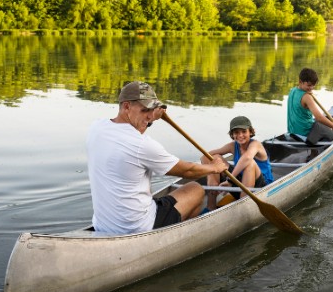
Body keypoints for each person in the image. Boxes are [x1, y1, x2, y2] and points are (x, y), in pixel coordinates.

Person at [87, 81, 228, 235]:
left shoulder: (97, 127)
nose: (149, 115)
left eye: (152, 109)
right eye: (145, 110)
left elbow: (130, 138)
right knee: (196, 189)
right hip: (138, 227)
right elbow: (188, 171)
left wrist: (149, 118)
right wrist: (215, 167)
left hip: (103, 225)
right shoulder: (142, 145)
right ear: (127, 106)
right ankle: (181, 237)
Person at [203, 115, 274, 209]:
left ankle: (243, 207)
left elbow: (247, 158)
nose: (240, 135)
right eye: (236, 132)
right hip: (239, 183)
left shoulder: (256, 144)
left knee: (250, 164)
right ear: (232, 134)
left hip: (261, 188)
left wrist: (230, 180)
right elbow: (205, 156)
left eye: (244, 131)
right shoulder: (232, 146)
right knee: (215, 158)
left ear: (251, 132)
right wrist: (211, 178)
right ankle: (210, 207)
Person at [287, 67, 333, 145]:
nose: (311, 88)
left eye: (313, 86)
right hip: (305, 133)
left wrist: (308, 90)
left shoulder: (293, 90)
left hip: (293, 132)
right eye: (309, 85)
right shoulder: (307, 97)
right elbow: (319, 118)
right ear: (300, 82)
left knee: (324, 124)